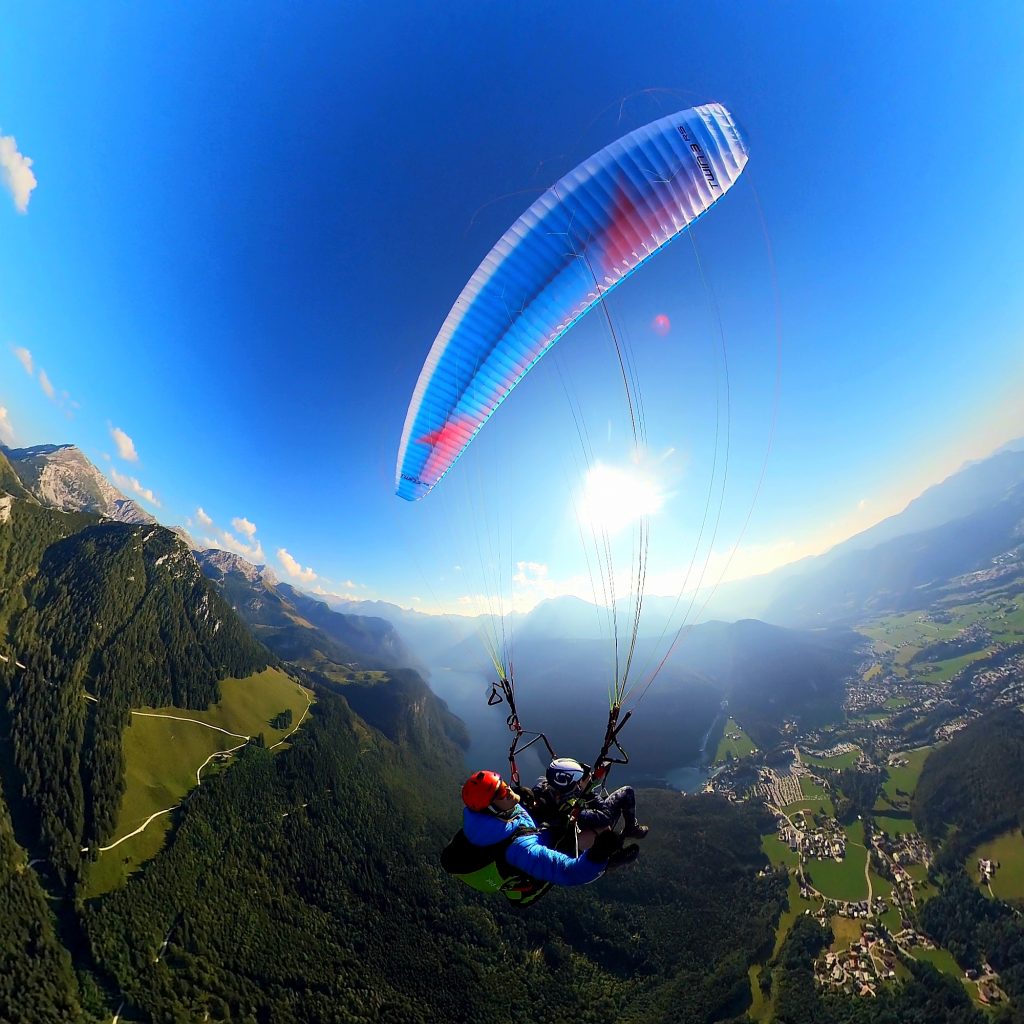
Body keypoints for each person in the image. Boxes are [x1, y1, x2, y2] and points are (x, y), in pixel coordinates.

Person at [459, 770, 638, 890]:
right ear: (491, 808)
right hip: (551, 848)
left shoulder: (493, 817)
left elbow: (516, 816)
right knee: (602, 829)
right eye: (498, 792)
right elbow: (569, 872)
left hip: (542, 830)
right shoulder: (520, 849)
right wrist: (598, 855)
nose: (506, 789)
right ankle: (608, 864)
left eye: (502, 783)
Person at [529, 757, 649, 841]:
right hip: (578, 832)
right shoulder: (569, 809)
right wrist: (588, 791)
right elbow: (607, 815)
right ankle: (630, 829)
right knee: (627, 792)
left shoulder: (542, 790)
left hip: (564, 827)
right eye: (577, 781)